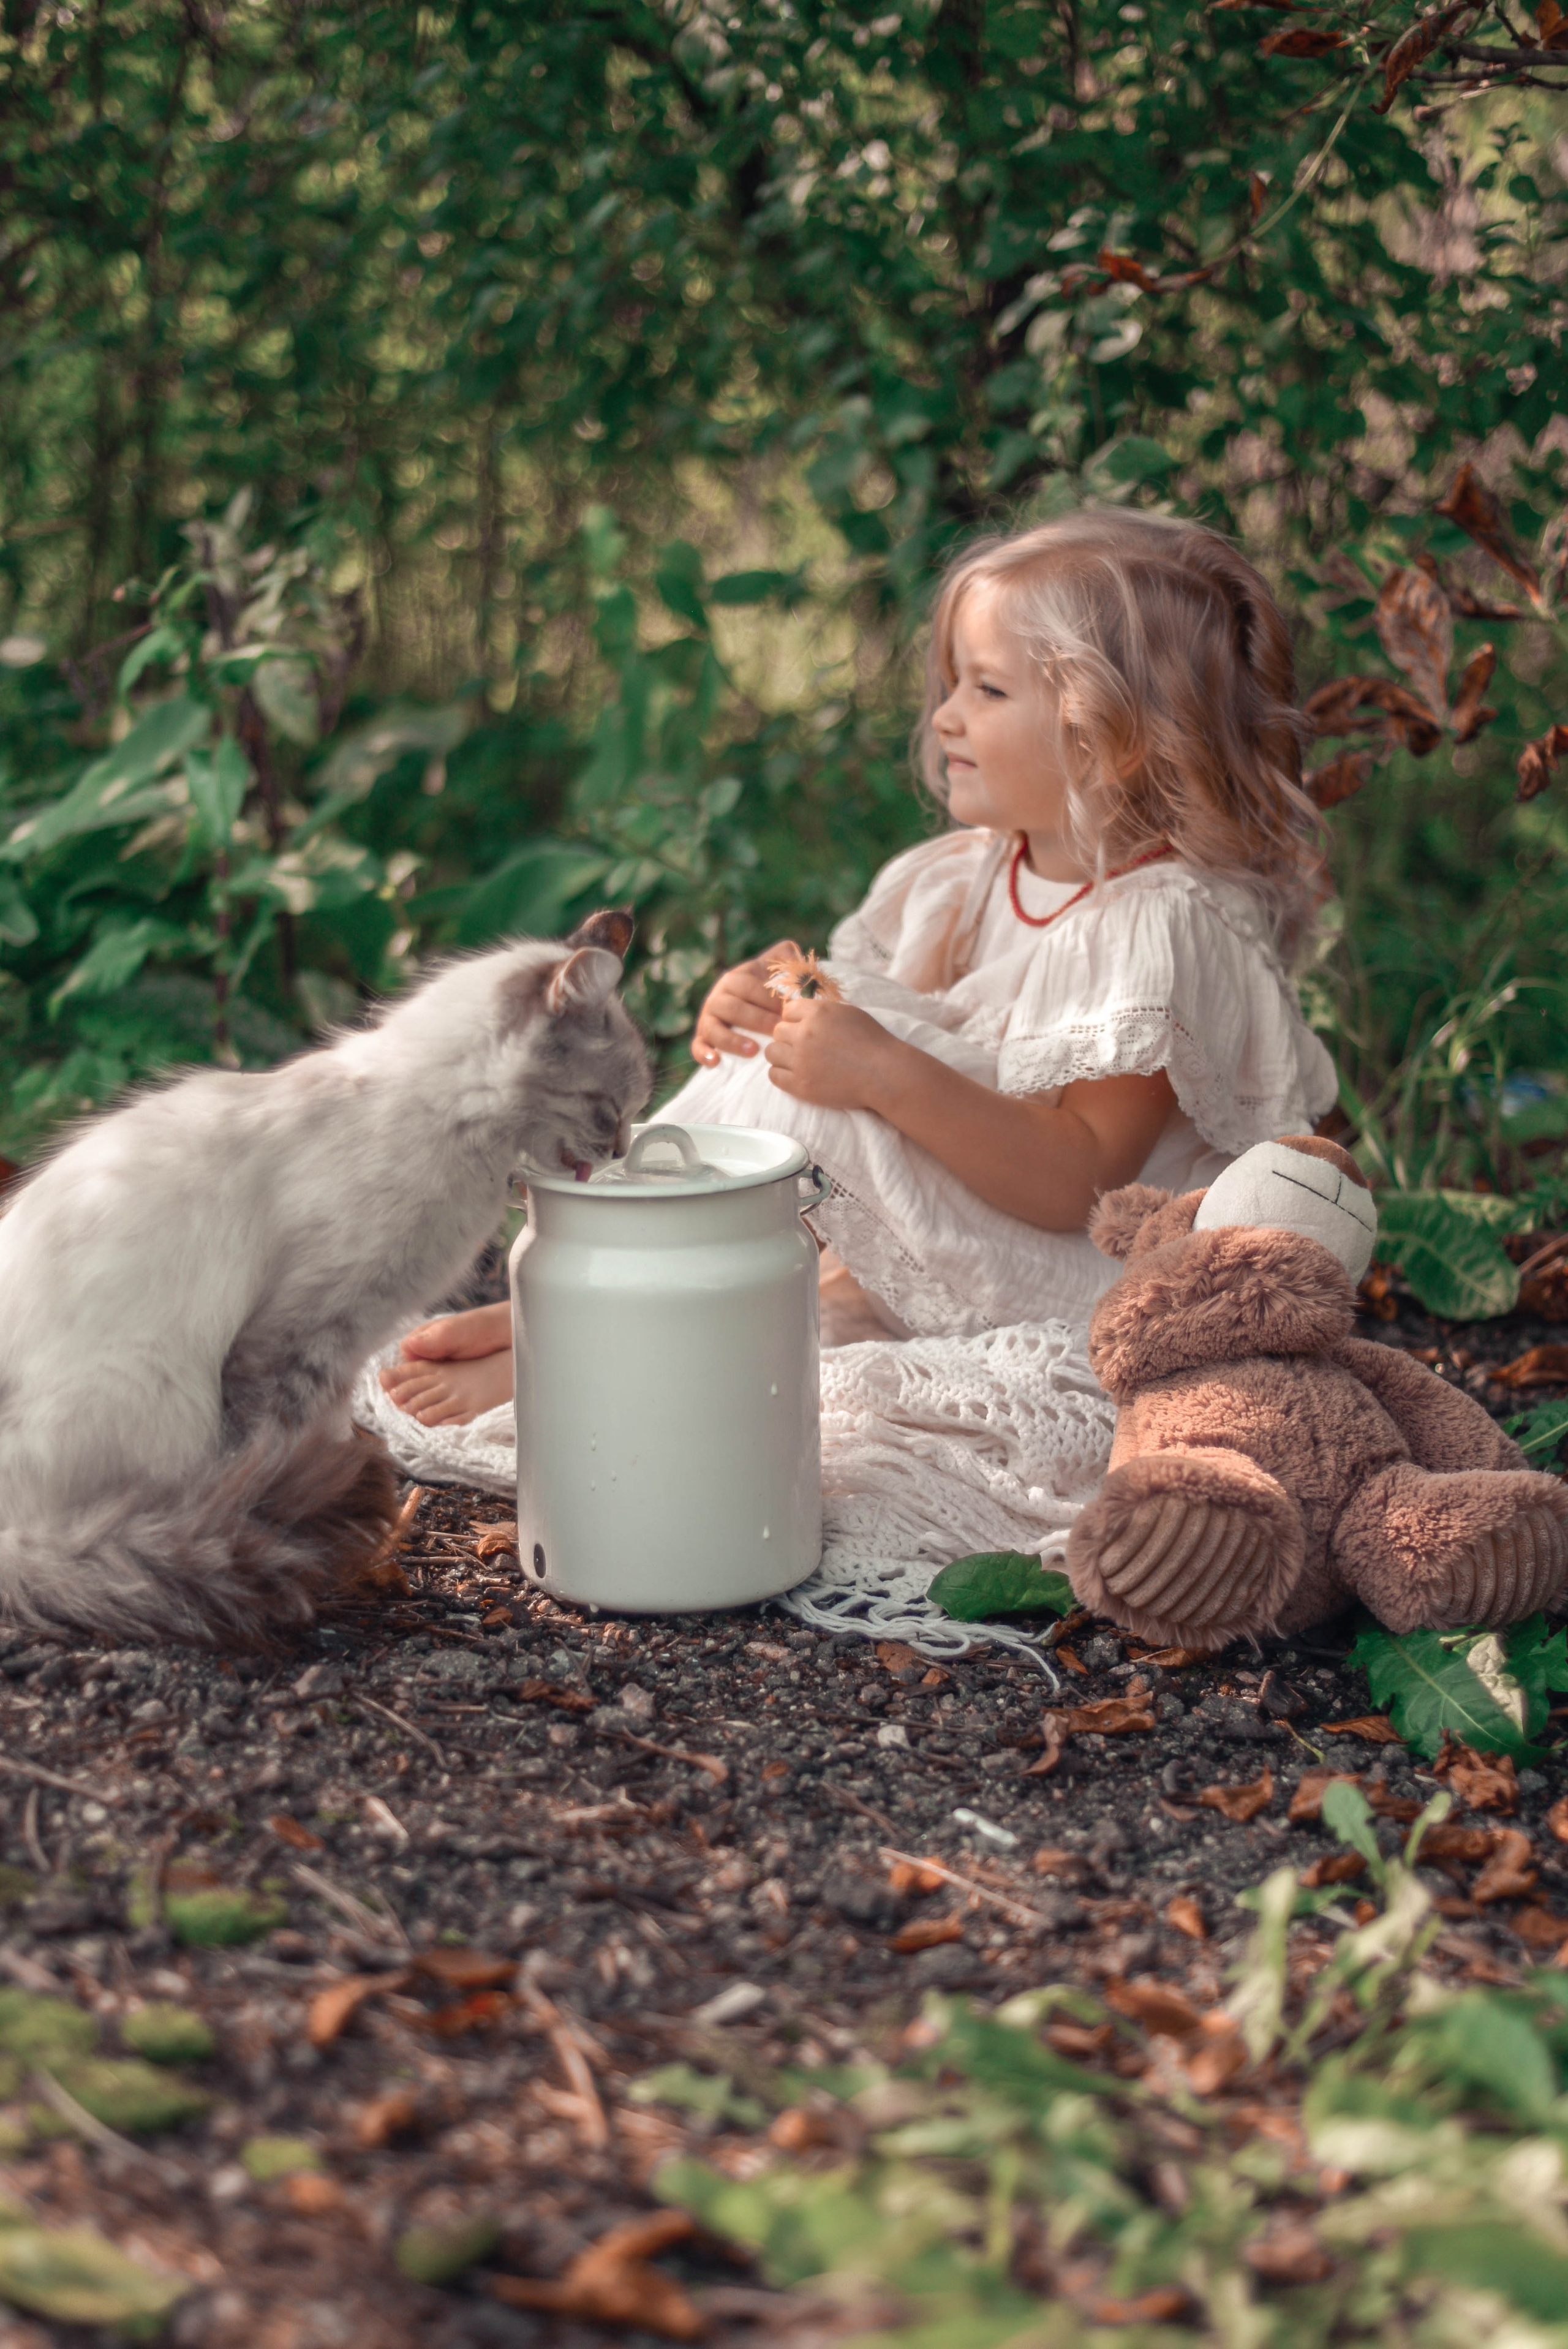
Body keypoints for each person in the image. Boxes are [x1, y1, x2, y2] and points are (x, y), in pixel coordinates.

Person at [380, 506, 1336, 1430]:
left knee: (821, 1088)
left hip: (1080, 1279)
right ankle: (596, 1287)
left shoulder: (1158, 925)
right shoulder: (963, 879)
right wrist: (751, 1012)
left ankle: (587, 1305)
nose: (947, 716)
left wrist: (879, 1067)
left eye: (988, 691)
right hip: (978, 1235)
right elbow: (881, 1027)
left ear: (1110, 740)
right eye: (952, 683)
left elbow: (1078, 1182)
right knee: (797, 1044)